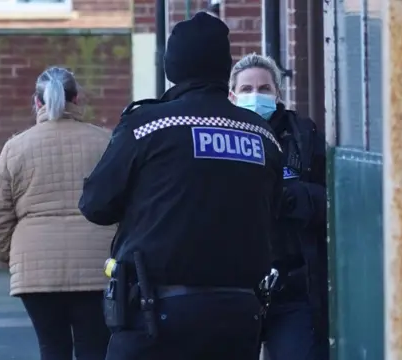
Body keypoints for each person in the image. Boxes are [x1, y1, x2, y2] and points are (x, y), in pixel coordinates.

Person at [78, 13, 283, 360]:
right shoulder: (263, 135)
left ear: (172, 65)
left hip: (157, 314)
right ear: (224, 68)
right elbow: (272, 212)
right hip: (238, 314)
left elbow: (95, 204)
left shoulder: (146, 126)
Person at [0, 66, 113, 360]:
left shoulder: (15, 148)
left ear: (38, 102)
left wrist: (10, 255)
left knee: (52, 347)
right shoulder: (107, 142)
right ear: (77, 99)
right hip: (97, 265)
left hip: (34, 268)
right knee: (95, 347)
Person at [229, 53, 328, 360]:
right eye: (246, 89)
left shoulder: (301, 136)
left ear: (277, 94)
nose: (255, 95)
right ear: (232, 95)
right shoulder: (222, 136)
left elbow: (331, 200)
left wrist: (287, 197)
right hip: (235, 288)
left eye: (264, 88)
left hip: (291, 286)